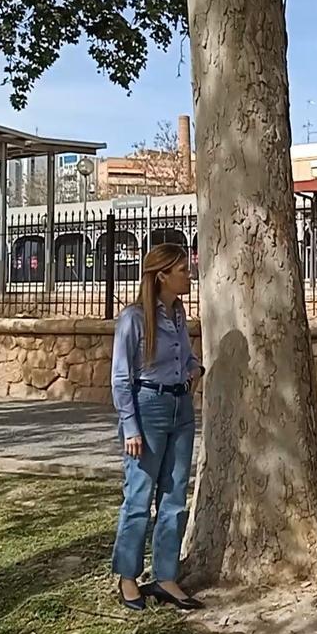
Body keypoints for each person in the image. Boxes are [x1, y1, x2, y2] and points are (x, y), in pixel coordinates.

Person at [110, 243, 206, 611]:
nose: (189, 275)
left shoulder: (179, 314)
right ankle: (128, 577)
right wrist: (130, 427)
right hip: (147, 408)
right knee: (139, 497)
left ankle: (166, 576)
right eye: (183, 269)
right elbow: (120, 378)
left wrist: (195, 368)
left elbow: (188, 355)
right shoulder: (133, 319)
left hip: (181, 407)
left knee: (175, 495)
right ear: (162, 275)